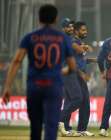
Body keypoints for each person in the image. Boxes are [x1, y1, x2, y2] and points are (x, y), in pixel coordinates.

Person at [1, 4, 76, 140]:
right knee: (51, 127)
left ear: (39, 18)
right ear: (55, 19)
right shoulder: (63, 38)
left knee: (35, 127)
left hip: (34, 86)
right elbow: (72, 66)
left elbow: (17, 61)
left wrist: (7, 86)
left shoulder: (29, 37)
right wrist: (59, 72)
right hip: (54, 86)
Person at [58, 18, 82, 137]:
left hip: (69, 71)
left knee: (69, 101)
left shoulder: (66, 39)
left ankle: (66, 127)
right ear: (63, 28)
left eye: (72, 26)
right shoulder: (63, 39)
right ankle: (59, 119)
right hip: (67, 72)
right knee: (77, 99)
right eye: (68, 26)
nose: (71, 28)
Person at [71, 21, 94, 136]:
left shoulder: (79, 42)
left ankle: (81, 129)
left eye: (86, 30)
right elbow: (73, 62)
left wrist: (94, 60)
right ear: (76, 31)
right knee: (76, 101)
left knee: (85, 103)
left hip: (80, 76)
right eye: (83, 30)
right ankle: (59, 120)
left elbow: (81, 60)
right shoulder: (74, 42)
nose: (86, 32)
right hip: (76, 75)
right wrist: (81, 74)